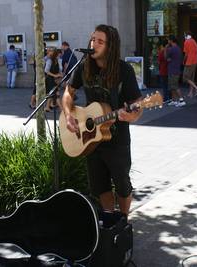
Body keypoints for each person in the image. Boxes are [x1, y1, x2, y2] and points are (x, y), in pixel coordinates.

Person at [62, 24, 143, 216]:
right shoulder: (83, 66)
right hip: (91, 138)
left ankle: (123, 222)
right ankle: (109, 221)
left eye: (100, 41)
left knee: (122, 185)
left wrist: (132, 115)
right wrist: (68, 115)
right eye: (93, 39)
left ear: (110, 46)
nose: (94, 44)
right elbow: (68, 92)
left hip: (117, 139)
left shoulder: (124, 70)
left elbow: (137, 102)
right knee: (100, 186)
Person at [165, 35, 186, 107]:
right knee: (172, 86)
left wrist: (165, 48)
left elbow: (166, 57)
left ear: (171, 40)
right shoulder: (178, 48)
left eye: (168, 40)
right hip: (176, 69)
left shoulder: (171, 49)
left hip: (172, 69)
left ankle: (181, 100)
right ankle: (174, 100)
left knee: (175, 86)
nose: (168, 41)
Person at [183, 31, 197, 98]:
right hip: (195, 61)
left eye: (185, 35)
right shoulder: (194, 41)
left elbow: (186, 54)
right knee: (191, 77)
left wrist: (184, 61)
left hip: (189, 62)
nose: (184, 36)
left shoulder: (186, 42)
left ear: (187, 35)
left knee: (185, 77)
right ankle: (190, 93)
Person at [44, 47, 62, 111]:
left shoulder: (57, 60)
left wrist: (60, 74)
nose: (50, 52)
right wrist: (55, 75)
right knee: (56, 94)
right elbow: (46, 71)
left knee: (51, 94)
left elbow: (59, 70)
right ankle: (61, 109)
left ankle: (47, 107)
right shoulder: (49, 60)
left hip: (54, 79)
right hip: (50, 79)